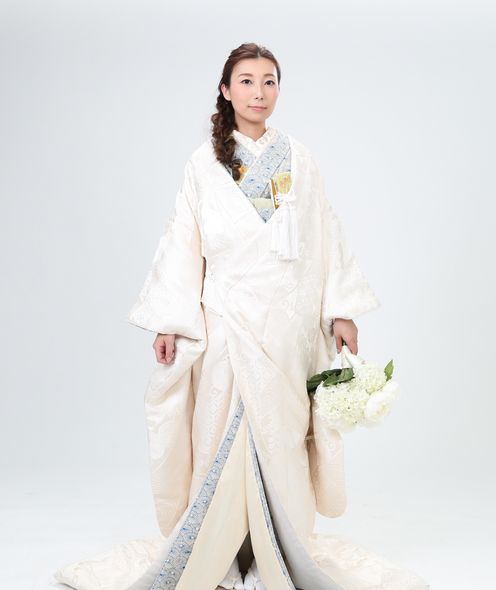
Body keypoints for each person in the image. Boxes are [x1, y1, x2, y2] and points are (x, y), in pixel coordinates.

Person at [53, 43, 430, 590]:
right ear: (226, 91)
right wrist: (170, 320)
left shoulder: (299, 158)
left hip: (289, 322)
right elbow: (183, 241)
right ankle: (223, 548)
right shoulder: (203, 164)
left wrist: (341, 309)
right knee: (221, 431)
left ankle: (280, 546)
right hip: (227, 319)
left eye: (269, 81)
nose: (259, 92)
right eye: (247, 81)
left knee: (283, 433)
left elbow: (326, 232)